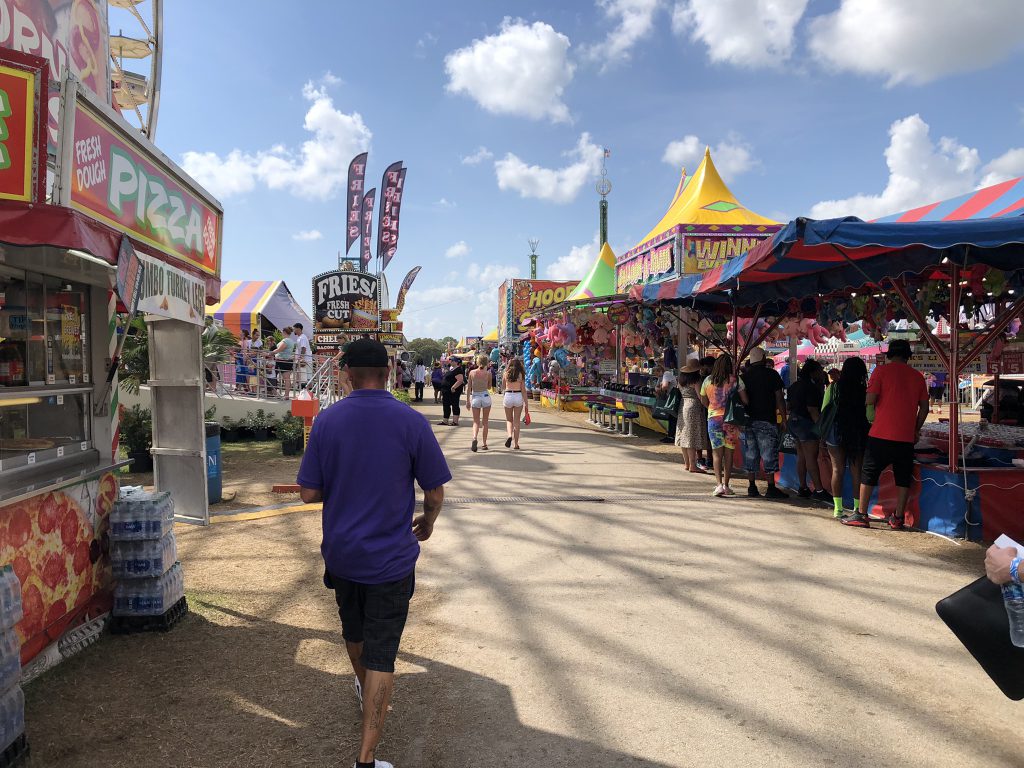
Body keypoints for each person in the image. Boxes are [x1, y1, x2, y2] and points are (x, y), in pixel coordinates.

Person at [297, 338, 451, 768]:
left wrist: (343, 480)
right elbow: (435, 492)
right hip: (391, 560)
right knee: (382, 653)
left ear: (346, 374)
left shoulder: (327, 422)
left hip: (343, 554)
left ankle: (365, 687)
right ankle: (366, 758)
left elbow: (308, 492)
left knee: (355, 633)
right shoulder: (411, 421)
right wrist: (428, 522)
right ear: (389, 373)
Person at [843, 339, 928, 530]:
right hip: (905, 437)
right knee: (903, 477)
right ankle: (898, 517)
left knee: (869, 473)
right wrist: (915, 428)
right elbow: (924, 407)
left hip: (880, 433)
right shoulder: (918, 377)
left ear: (889, 354)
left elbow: (870, 399)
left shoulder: (880, 371)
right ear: (908, 356)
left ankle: (861, 514)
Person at [824, 357, 871, 519]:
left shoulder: (834, 387)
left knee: (837, 470)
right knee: (857, 470)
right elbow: (870, 415)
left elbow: (825, 409)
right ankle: (857, 509)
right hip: (857, 430)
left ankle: (838, 509)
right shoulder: (864, 390)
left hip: (836, 430)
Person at [739, 348, 788, 499]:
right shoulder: (772, 374)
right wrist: (784, 418)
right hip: (767, 418)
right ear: (763, 358)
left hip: (749, 420)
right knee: (769, 454)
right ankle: (771, 487)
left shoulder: (744, 377)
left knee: (751, 453)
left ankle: (752, 487)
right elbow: (779, 398)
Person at [699, 356, 748, 497]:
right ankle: (726, 485)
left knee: (716, 454)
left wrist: (713, 408)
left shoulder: (707, 380)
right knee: (729, 453)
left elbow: (703, 400)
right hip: (731, 420)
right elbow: (745, 400)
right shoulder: (736, 380)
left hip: (713, 419)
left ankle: (719, 485)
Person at [786, 359, 832, 502]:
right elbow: (812, 410)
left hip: (793, 422)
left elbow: (788, 406)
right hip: (806, 423)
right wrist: (821, 430)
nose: (821, 373)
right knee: (811, 457)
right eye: (819, 370)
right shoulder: (811, 388)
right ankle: (819, 490)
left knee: (801, 456)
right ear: (813, 372)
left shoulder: (794, 386)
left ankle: (803, 487)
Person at [674, 360, 709, 473]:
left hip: (683, 405)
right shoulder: (696, 380)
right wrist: (708, 406)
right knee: (691, 437)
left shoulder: (681, 380)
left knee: (684, 435)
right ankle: (693, 465)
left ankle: (687, 464)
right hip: (693, 406)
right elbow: (700, 397)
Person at [466, 353, 492, 452]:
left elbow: (469, 388)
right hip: (485, 396)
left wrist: (468, 401)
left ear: (477, 362)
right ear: (486, 363)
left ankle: (474, 438)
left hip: (475, 396)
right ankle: (484, 444)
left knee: (476, 421)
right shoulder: (488, 374)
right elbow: (489, 387)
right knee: (485, 422)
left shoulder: (472, 373)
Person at [503, 357, 529, 449]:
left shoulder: (506, 373)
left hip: (508, 395)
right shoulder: (521, 375)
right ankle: (516, 444)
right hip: (518, 395)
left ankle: (509, 435)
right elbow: (523, 390)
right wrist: (526, 403)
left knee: (509, 420)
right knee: (517, 421)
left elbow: (503, 386)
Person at [438, 357, 465, 426]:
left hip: (453, 392)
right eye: (450, 360)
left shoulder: (458, 370)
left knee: (455, 405)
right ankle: (445, 420)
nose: (451, 362)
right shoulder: (451, 369)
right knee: (446, 405)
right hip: (446, 391)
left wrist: (453, 387)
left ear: (456, 362)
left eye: (452, 361)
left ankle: (455, 421)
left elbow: (460, 380)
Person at [654, 364, 678, 444]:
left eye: (656, 373)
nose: (656, 375)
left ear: (660, 371)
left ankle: (671, 436)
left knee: (672, 417)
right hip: (669, 398)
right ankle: (670, 435)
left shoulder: (666, 374)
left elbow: (664, 386)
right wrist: (658, 388)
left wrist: (659, 389)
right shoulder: (661, 376)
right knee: (670, 418)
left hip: (673, 399)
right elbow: (656, 387)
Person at [272, 326, 296, 398]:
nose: (281, 333)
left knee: (286, 378)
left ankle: (286, 395)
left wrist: (269, 353)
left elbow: (279, 349)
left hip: (283, 361)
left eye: (282, 332)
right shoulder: (290, 340)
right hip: (285, 360)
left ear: (284, 332)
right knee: (286, 378)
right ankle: (285, 394)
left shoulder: (286, 341)